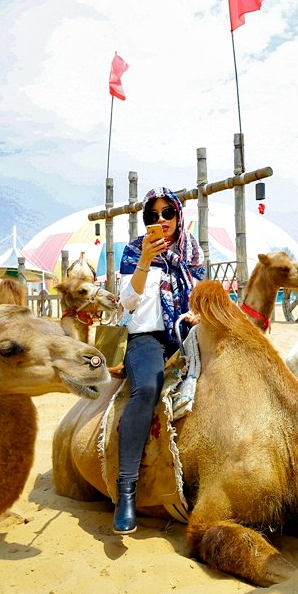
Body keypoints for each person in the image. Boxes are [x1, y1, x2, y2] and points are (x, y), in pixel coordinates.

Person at [112, 187, 204, 534]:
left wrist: (199, 314)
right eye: (153, 216)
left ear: (179, 216)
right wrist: (145, 262)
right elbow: (128, 305)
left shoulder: (193, 253)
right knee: (147, 388)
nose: (161, 221)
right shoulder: (134, 252)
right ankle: (127, 491)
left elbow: (202, 298)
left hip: (185, 334)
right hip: (147, 337)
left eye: (168, 213)